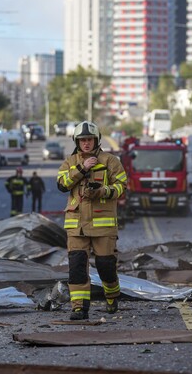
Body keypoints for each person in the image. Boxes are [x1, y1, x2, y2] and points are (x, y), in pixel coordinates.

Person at [57, 121, 127, 320]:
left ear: (96, 140)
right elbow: (62, 184)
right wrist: (81, 168)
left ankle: (112, 296)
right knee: (77, 267)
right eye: (82, 140)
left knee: (106, 266)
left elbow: (122, 187)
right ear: (76, 142)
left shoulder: (110, 161)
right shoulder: (70, 162)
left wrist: (102, 191)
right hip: (76, 225)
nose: (86, 143)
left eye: (89, 140)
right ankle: (79, 308)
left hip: (102, 224)